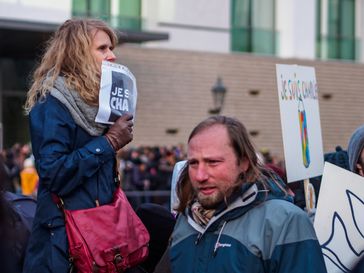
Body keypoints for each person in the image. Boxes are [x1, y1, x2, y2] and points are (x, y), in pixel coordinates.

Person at [22, 19, 134, 273]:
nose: (112, 56)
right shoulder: (53, 100)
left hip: (100, 237)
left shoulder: (97, 103)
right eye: (103, 48)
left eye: (111, 48)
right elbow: (53, 172)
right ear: (78, 53)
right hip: (63, 245)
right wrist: (109, 142)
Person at [155, 115, 327, 273]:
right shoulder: (186, 221)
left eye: (213, 162)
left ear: (243, 163)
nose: (200, 175)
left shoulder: (285, 222)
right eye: (193, 163)